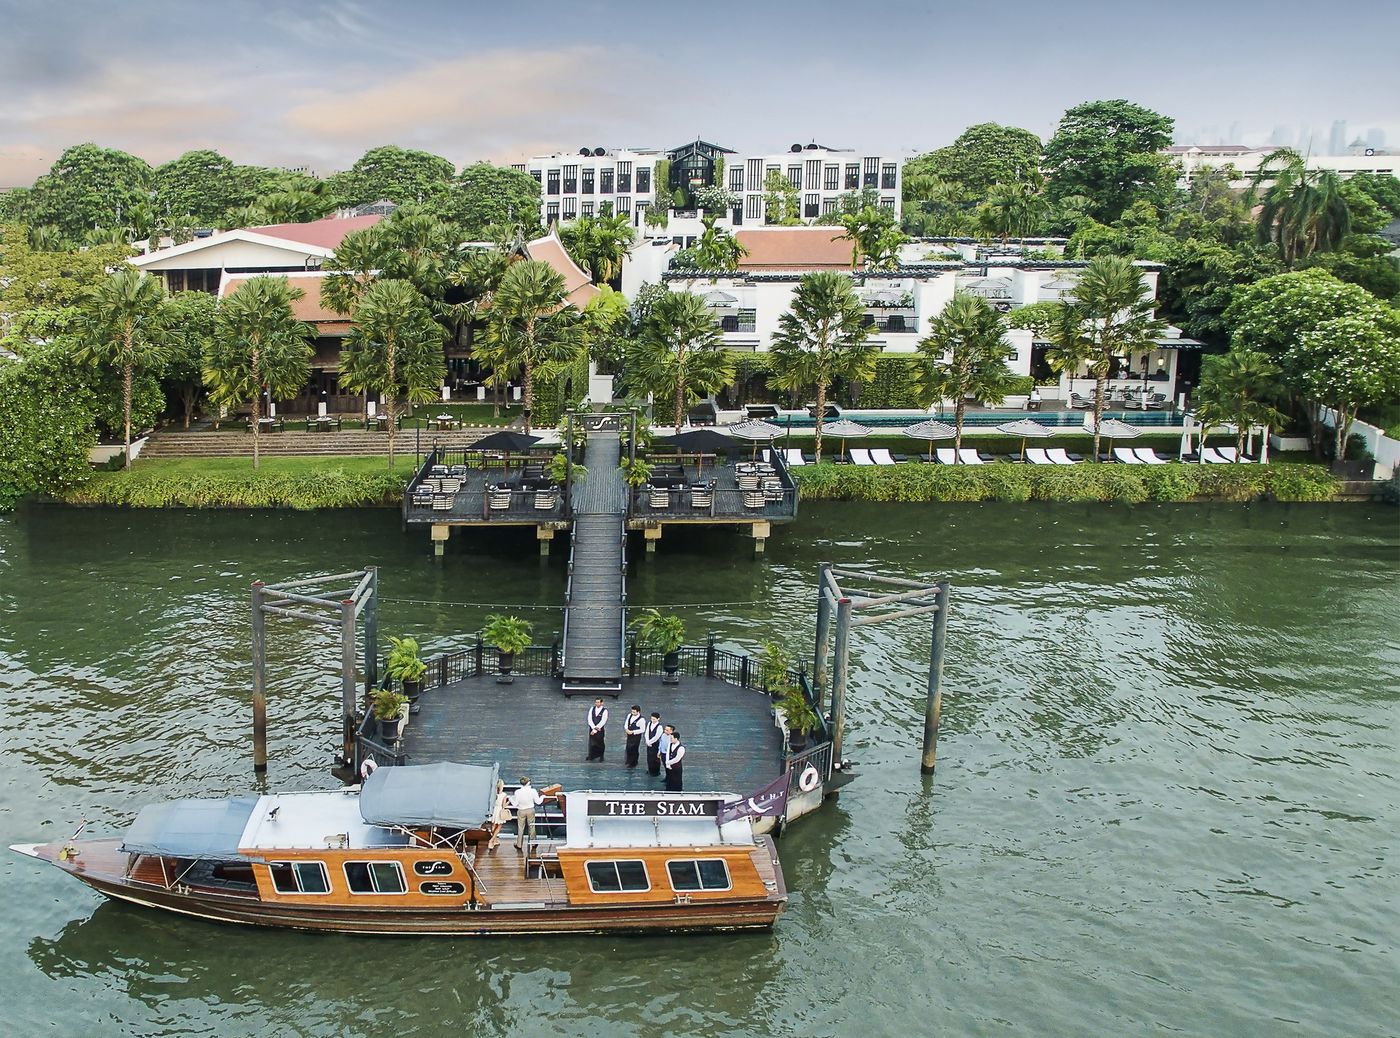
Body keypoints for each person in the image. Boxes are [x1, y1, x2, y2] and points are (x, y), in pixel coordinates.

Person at [511, 776, 545, 850]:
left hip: (521, 810)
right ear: (528, 782)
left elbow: (515, 804)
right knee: (531, 826)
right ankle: (534, 843)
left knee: (520, 828)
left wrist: (511, 799)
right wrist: (542, 797)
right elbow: (538, 802)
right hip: (530, 810)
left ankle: (519, 845)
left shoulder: (517, 792)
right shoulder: (533, 791)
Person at [487, 780, 510, 850]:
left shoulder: (492, 794)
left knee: (493, 825)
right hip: (499, 810)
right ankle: (491, 841)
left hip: (494, 810)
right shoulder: (504, 795)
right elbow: (504, 806)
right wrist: (509, 802)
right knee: (499, 826)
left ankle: (495, 840)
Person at [643, 712, 664, 776]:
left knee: (655, 758)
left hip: (655, 744)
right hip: (649, 743)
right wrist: (647, 740)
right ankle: (650, 770)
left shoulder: (659, 727)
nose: (652, 720)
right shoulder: (649, 723)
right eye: (652, 719)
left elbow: (657, 737)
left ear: (658, 719)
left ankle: (656, 772)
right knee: (649, 757)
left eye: (654, 719)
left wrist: (650, 742)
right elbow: (646, 733)